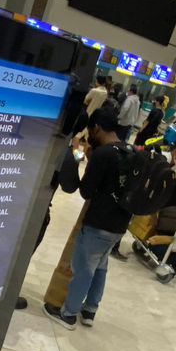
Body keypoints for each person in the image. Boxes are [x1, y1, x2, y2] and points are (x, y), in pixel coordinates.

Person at [45, 109, 130, 330]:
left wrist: (84, 159)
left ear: (97, 128)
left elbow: (85, 192)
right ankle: (90, 309)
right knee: (101, 265)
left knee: (84, 267)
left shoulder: (103, 154)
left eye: (91, 130)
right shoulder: (130, 151)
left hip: (98, 222)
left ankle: (68, 314)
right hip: (120, 224)